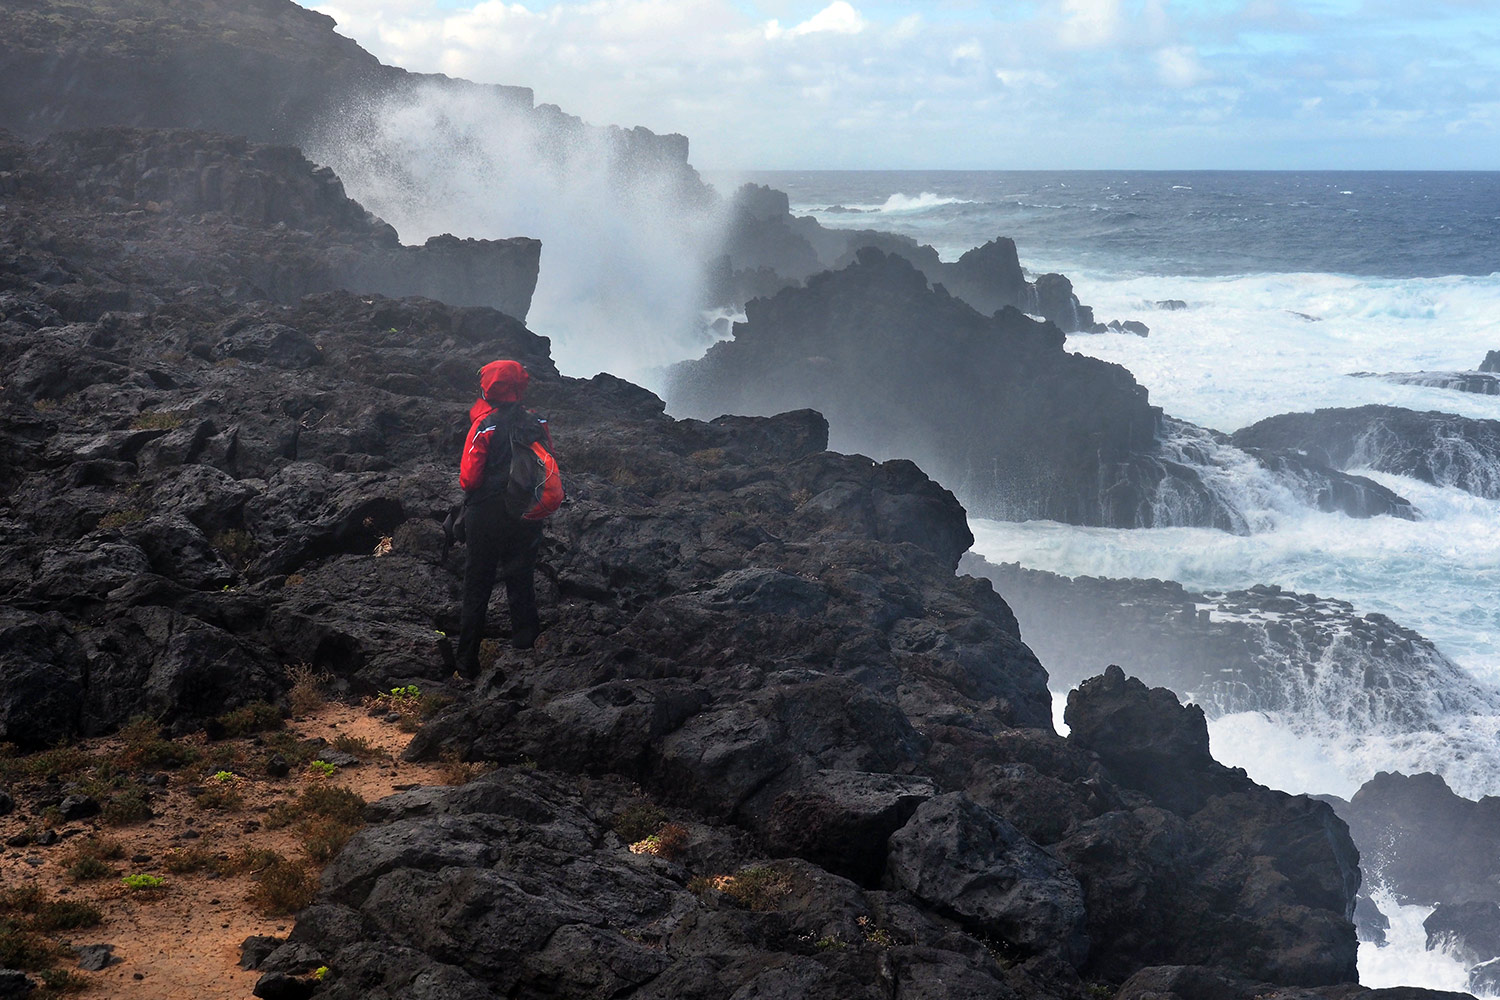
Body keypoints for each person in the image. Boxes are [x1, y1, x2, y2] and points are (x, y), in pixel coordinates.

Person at [454, 359, 549, 677]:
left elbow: (469, 479)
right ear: (519, 386)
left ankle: (466, 664)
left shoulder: (485, 424)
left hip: (486, 515)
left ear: (489, 387)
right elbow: (546, 461)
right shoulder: (538, 421)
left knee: (477, 586)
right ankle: (527, 653)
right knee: (521, 580)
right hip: (525, 511)